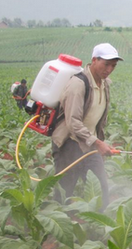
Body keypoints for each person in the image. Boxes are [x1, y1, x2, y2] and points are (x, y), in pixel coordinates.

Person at [51, 43, 121, 207]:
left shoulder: (105, 84)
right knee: (64, 190)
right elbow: (73, 123)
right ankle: (55, 227)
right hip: (69, 144)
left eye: (113, 65)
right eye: (106, 64)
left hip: (89, 144)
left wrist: (98, 142)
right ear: (94, 60)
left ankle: (99, 229)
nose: (109, 69)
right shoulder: (78, 84)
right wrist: (97, 143)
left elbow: (98, 119)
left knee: (101, 188)